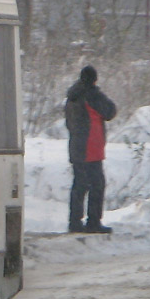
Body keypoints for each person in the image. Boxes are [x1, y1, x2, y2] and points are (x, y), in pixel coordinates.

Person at [65, 65, 117, 233]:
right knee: (97, 184)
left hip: (76, 146)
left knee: (79, 185)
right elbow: (110, 111)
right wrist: (97, 90)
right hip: (91, 147)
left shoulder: (72, 96)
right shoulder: (92, 95)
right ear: (94, 79)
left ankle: (74, 222)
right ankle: (93, 222)